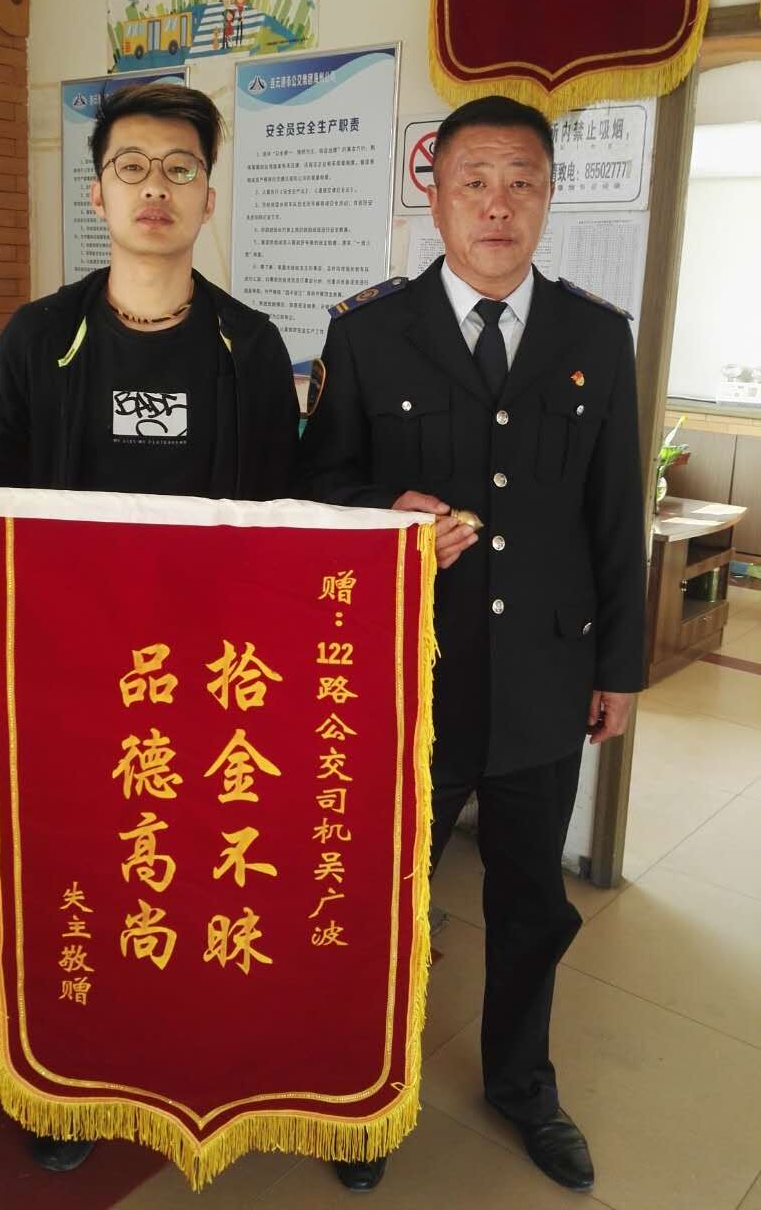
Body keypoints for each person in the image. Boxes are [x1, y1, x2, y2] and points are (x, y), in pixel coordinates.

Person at [0, 82, 299, 1170]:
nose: (155, 188)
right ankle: (66, 1077)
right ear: (97, 193)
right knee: (73, 867)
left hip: (210, 671)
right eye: (132, 167)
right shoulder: (44, 334)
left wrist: (391, 536)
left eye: (180, 168)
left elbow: (292, 504)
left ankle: (181, 1043)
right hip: (71, 667)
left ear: (209, 196)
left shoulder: (250, 345)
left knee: (188, 862)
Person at [297, 95, 646, 1196]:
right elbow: (317, 486)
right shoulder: (367, 332)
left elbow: (614, 515)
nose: (498, 206)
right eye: (474, 182)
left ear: (549, 197)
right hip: (409, 677)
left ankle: (523, 1085)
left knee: (532, 902)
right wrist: (382, 510)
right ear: (435, 196)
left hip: (547, 675)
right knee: (385, 895)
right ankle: (367, 1088)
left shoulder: (595, 336)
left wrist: (619, 669)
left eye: (521, 183)